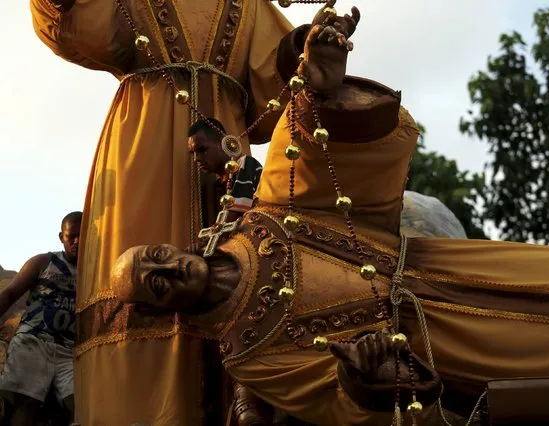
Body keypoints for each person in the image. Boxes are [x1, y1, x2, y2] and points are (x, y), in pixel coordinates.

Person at [108, 35, 549, 426]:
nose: (170, 267)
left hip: (456, 266)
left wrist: (320, 95)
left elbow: (310, 162)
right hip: (458, 347)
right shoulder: (252, 356)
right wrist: (364, 379)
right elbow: (334, 403)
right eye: (157, 280)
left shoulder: (264, 222)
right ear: (164, 307)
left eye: (157, 255)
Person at [28, 0, 360, 421]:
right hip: (144, 150)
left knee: (248, 276)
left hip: (227, 145)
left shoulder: (248, 5)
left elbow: (279, 84)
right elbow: (77, 27)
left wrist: (311, 48)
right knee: (139, 282)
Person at [0, 212, 81, 426]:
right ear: (61, 237)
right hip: (34, 341)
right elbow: (10, 293)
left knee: (82, 406)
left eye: (83, 235)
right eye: (71, 236)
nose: (77, 241)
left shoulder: (94, 270)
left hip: (70, 351)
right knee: (26, 404)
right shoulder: (44, 262)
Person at [188, 117, 263, 224]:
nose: (196, 158)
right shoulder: (216, 185)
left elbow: (229, 223)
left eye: (202, 150)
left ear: (222, 143)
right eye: (193, 153)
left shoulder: (246, 164)